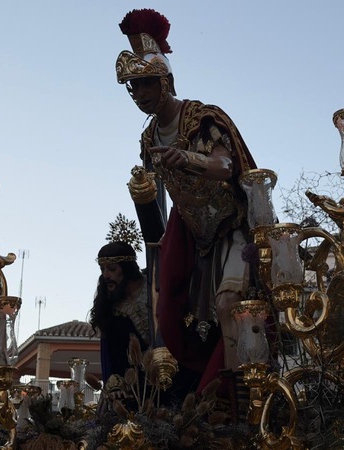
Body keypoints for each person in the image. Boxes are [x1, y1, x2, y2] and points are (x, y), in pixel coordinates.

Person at [114, 8, 258, 398]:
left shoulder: (201, 118)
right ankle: (199, 397)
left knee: (231, 306)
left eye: (145, 84)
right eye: (133, 88)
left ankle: (239, 394)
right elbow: (159, 200)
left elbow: (228, 166)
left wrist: (191, 159)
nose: (140, 95)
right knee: (181, 320)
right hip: (196, 238)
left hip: (232, 229)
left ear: (164, 80)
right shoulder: (148, 140)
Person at [88, 241, 150, 384]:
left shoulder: (153, 288)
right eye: (102, 269)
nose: (106, 275)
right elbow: (112, 354)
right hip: (132, 383)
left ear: (127, 268)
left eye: (111, 269)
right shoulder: (111, 307)